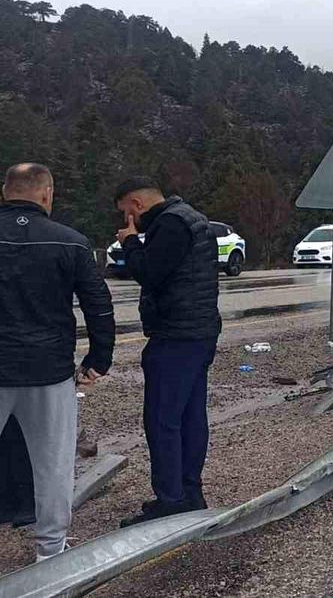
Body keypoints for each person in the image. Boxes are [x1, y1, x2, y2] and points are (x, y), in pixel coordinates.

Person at [0, 163, 114, 562]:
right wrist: (99, 359)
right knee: (52, 464)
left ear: (4, 191)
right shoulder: (71, 242)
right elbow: (98, 306)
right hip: (48, 371)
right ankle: (50, 552)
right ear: (47, 194)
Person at [113, 177, 221, 527]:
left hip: (177, 335)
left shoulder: (171, 224)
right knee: (190, 416)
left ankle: (171, 500)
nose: (127, 221)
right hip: (199, 332)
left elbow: (149, 273)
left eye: (126, 213)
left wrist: (130, 243)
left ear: (137, 204)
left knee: (162, 420)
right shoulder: (192, 218)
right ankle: (190, 492)